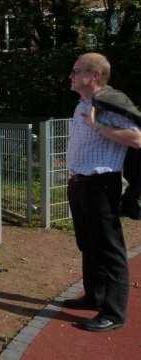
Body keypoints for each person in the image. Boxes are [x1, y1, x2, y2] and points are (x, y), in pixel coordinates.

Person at [62, 53, 141, 332]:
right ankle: (94, 295)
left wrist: (97, 125)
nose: (70, 75)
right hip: (80, 182)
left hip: (101, 183)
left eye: (75, 70)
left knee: (109, 249)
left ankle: (114, 312)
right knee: (88, 243)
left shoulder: (110, 103)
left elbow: (137, 138)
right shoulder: (81, 104)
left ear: (94, 75)